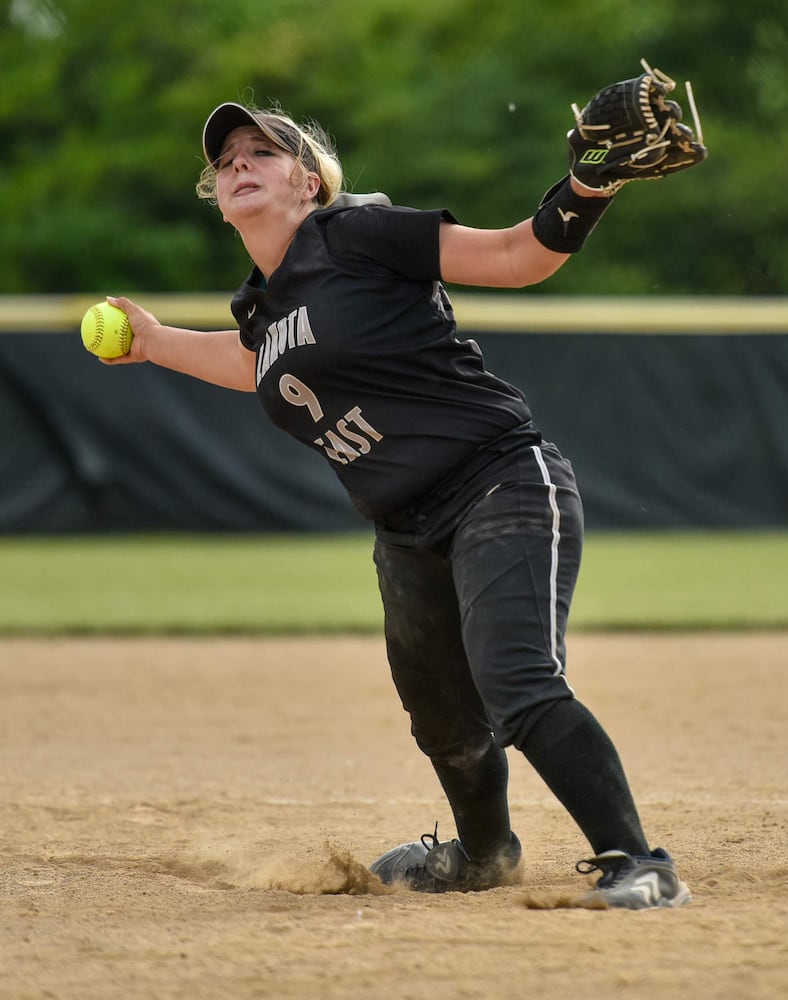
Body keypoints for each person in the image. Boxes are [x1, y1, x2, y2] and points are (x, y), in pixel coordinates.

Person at [102, 85, 698, 909]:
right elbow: (254, 366)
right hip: (404, 528)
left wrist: (588, 184)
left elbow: (519, 257)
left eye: (262, 153)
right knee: (443, 722)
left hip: (497, 481)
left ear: (309, 182)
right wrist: (158, 342)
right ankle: (483, 857)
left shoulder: (360, 234)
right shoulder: (262, 309)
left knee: (517, 683)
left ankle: (641, 863)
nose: (239, 165)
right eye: (226, 161)